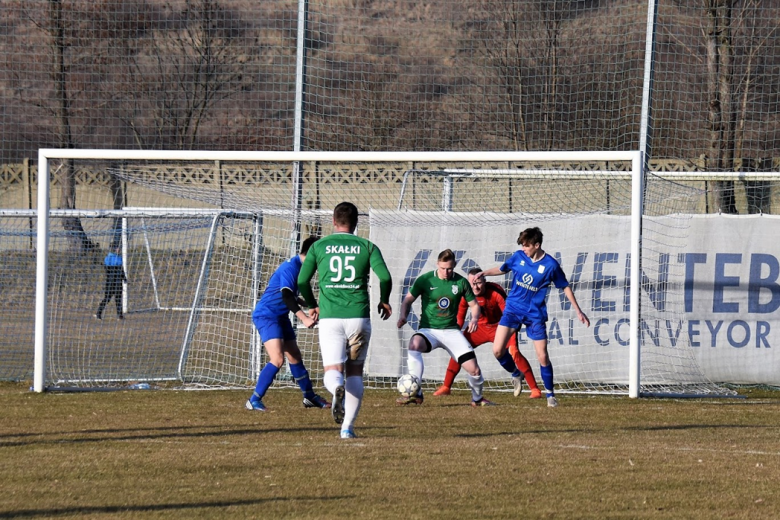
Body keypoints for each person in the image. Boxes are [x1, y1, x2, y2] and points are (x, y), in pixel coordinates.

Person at [298, 202, 393, 439]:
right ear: (356, 223)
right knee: (355, 373)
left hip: (331, 318)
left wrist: (312, 305)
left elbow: (301, 281)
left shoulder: (319, 246)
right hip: (358, 318)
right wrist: (384, 300)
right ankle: (347, 428)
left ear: (333, 221)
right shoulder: (367, 246)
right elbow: (385, 277)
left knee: (332, 370)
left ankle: (335, 389)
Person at [482, 227, 590, 408]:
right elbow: (502, 269)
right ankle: (516, 374)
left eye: (526, 246)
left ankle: (550, 395)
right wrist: (484, 273)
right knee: (497, 351)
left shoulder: (551, 265)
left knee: (542, 356)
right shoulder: (518, 257)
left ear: (537, 245)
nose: (523, 248)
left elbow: (564, 286)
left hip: (535, 315)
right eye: (522, 245)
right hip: (513, 310)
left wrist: (578, 310)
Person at [396, 249, 493, 407]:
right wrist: (402, 316)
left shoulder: (461, 282)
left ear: (454, 265)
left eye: (449, 268)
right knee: (414, 344)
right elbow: (407, 301)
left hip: (451, 331)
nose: (446, 272)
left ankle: (477, 399)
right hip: (429, 330)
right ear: (437, 264)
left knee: (474, 370)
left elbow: (474, 305)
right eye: (443, 268)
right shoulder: (425, 280)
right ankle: (416, 392)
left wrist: (474, 318)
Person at [245, 236, 331, 412]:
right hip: (267, 315)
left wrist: (311, 305)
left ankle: (309, 396)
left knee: (294, 356)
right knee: (277, 359)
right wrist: (304, 318)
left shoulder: (300, 267)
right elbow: (286, 296)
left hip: (280, 316)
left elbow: (292, 296)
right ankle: (253, 400)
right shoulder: (290, 268)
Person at [433, 267, 542, 399]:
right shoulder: (465, 294)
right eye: (472, 283)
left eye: (478, 283)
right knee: (459, 350)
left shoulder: (495, 292)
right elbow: (460, 318)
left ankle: (535, 389)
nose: (476, 287)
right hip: (479, 327)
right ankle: (446, 387)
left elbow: (510, 314)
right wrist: (454, 334)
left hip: (501, 326)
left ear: (485, 281)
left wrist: (512, 334)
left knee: (514, 352)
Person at [95, 243, 126, 320]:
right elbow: (117, 270)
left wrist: (124, 277)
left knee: (117, 298)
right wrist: (123, 277)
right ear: (114, 249)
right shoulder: (111, 258)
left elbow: (120, 270)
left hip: (114, 281)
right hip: (112, 281)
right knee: (108, 298)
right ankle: (98, 313)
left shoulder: (114, 258)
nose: (119, 249)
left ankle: (120, 315)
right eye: (117, 248)